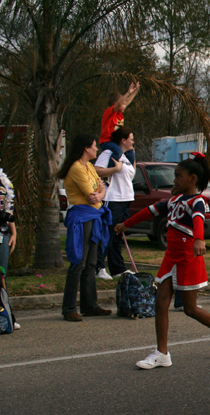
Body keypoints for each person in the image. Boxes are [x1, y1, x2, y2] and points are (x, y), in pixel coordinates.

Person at [115, 152, 210, 368]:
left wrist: (199, 240)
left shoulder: (198, 201)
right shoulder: (173, 200)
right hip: (171, 257)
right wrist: (126, 224)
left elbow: (199, 220)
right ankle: (162, 352)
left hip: (189, 257)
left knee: (190, 309)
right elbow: (148, 212)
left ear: (192, 179)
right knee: (161, 302)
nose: (174, 180)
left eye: (179, 176)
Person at [59, 134, 113, 322]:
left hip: (94, 215)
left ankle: (89, 304)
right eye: (94, 146)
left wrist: (99, 193)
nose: (96, 149)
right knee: (78, 262)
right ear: (85, 148)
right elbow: (91, 194)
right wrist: (99, 193)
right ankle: (69, 307)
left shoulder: (88, 166)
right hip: (82, 217)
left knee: (91, 263)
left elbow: (101, 188)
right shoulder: (76, 168)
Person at [94, 127, 136, 280]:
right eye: (131, 138)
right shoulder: (109, 153)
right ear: (123, 140)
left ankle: (117, 268)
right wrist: (115, 169)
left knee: (118, 235)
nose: (133, 141)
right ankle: (98, 267)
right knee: (107, 234)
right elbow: (96, 170)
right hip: (113, 199)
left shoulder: (126, 156)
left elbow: (130, 175)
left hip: (126, 199)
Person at [0, 144, 19, 329]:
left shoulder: (1, 180)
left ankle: (5, 316)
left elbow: (8, 208)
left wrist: (13, 231)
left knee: (0, 275)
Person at [99, 82, 140, 163]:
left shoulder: (119, 114)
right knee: (118, 151)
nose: (125, 106)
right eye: (123, 104)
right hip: (107, 142)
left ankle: (128, 171)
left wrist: (135, 91)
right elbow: (120, 103)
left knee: (131, 153)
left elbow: (127, 101)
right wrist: (128, 92)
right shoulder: (110, 113)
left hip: (116, 142)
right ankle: (110, 169)